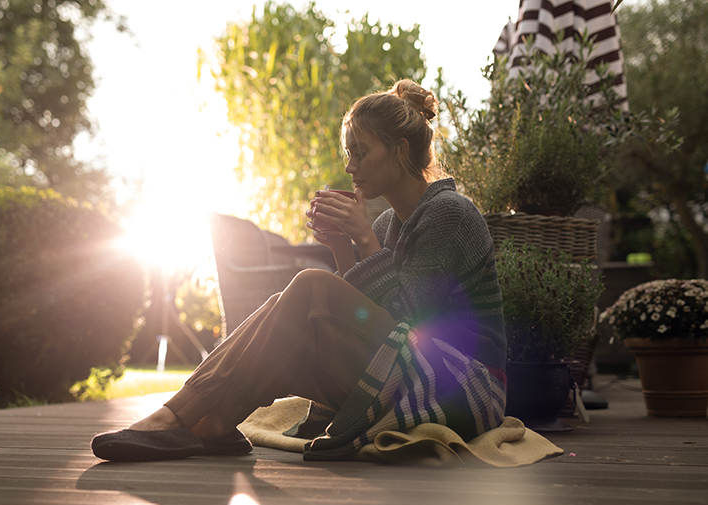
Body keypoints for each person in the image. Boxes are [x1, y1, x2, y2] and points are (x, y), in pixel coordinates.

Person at [91, 79, 507, 462]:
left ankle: (177, 416)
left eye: (361, 152)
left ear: (400, 150)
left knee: (311, 286)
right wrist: (343, 248)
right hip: (408, 372)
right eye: (349, 154)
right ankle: (213, 423)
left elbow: (416, 326)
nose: (350, 166)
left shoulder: (448, 213)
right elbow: (367, 319)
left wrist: (364, 243)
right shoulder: (387, 225)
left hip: (464, 385)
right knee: (291, 307)